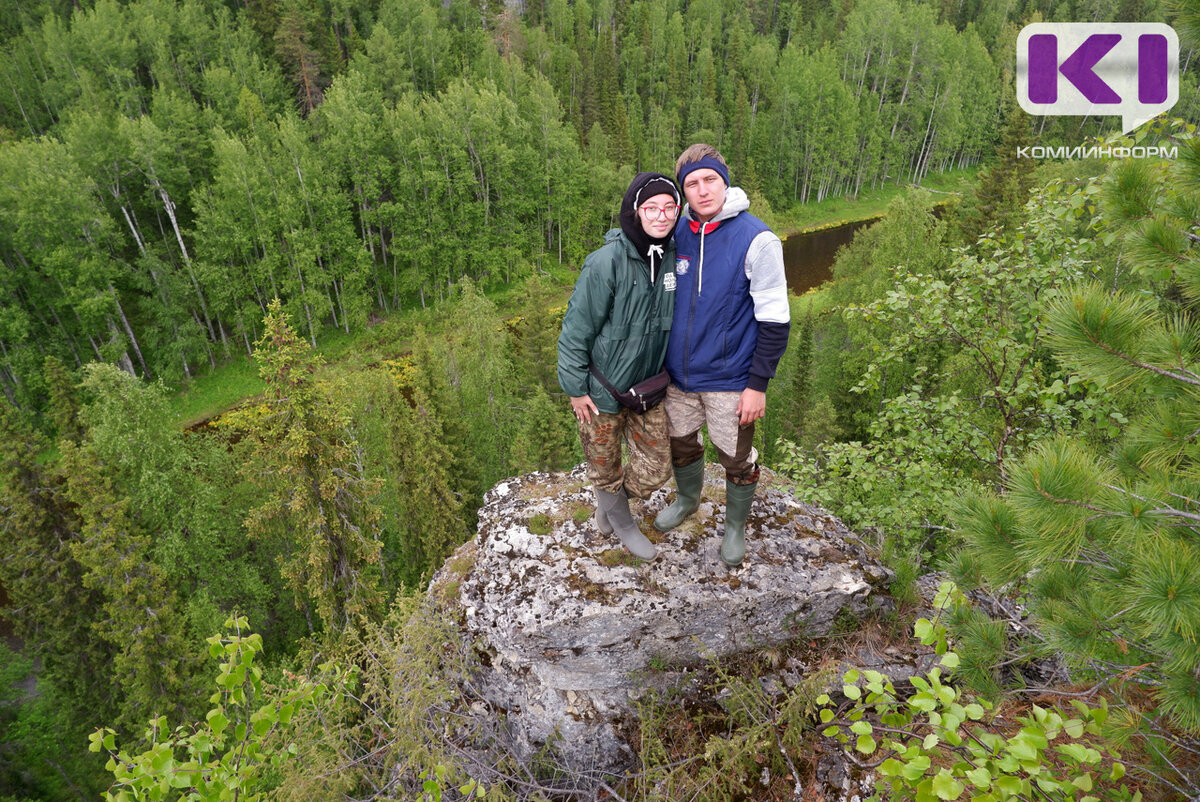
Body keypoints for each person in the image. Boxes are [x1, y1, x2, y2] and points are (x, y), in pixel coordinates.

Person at [653, 144, 790, 567]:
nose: (702, 190)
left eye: (710, 179)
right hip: (676, 377)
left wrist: (757, 385)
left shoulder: (757, 239)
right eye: (692, 184)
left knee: (736, 457)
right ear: (683, 193)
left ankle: (733, 528)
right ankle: (688, 501)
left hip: (731, 379)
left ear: (724, 181)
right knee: (680, 443)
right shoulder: (673, 233)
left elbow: (775, 320)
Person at [557, 172, 681, 561]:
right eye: (651, 208)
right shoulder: (606, 262)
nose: (661, 216)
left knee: (657, 468)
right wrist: (575, 388)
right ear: (636, 211)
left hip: (647, 390)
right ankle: (622, 521)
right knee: (604, 467)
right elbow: (576, 330)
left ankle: (609, 503)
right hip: (600, 392)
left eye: (669, 208)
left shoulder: (675, 257)